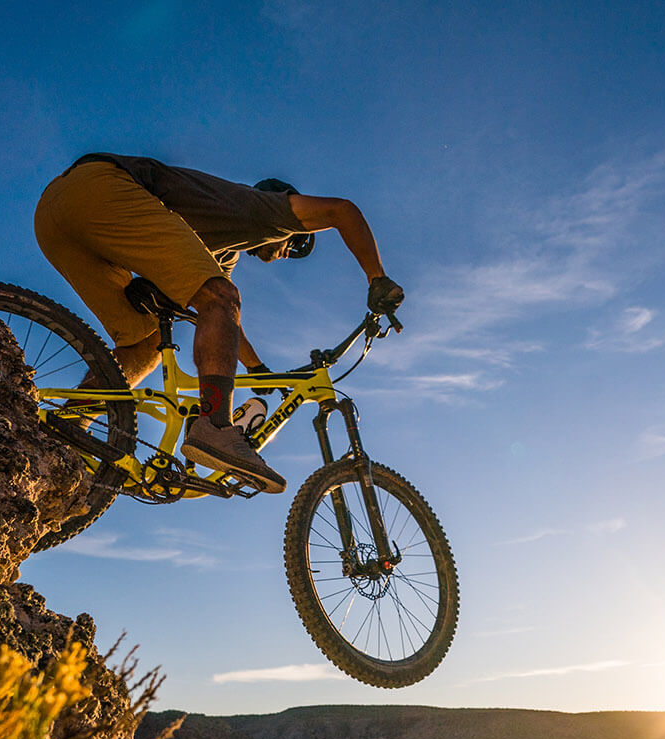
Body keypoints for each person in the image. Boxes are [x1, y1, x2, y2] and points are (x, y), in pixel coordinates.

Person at [33, 153, 403, 494]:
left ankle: (70, 424)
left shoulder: (223, 251)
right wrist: (377, 278)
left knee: (144, 341)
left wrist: (255, 366)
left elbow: (222, 316)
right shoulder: (262, 210)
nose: (286, 254)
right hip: (100, 189)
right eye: (296, 245)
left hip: (55, 215)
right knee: (220, 295)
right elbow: (342, 210)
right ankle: (214, 426)